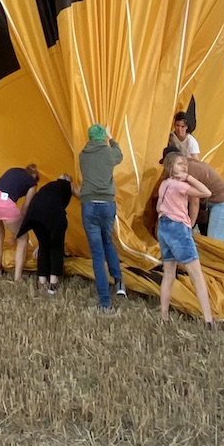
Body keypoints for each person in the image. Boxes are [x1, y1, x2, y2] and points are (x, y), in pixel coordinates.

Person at [156, 152, 218, 326]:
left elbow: (159, 206)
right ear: (171, 167)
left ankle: (164, 316)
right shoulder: (179, 186)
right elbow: (206, 192)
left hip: (164, 228)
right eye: (179, 164)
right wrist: (189, 177)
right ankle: (208, 319)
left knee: (168, 274)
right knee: (196, 275)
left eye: (185, 165)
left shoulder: (164, 185)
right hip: (179, 229)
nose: (184, 167)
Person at [78, 123, 125, 311]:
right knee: (108, 243)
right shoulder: (108, 153)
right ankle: (119, 283)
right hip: (107, 204)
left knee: (97, 254)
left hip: (89, 205)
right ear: (102, 137)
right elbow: (119, 154)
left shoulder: (83, 156)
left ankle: (105, 302)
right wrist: (111, 136)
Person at [19, 172, 74, 296]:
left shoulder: (49, 186)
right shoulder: (68, 186)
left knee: (44, 245)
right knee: (56, 245)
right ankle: (53, 283)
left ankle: (41, 281)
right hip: (52, 214)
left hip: (34, 214)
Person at [0, 164, 39, 278]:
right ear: (34, 175)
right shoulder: (32, 183)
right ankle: (17, 278)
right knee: (23, 238)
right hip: (5, 203)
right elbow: (26, 206)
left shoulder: (13, 170)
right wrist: (21, 227)